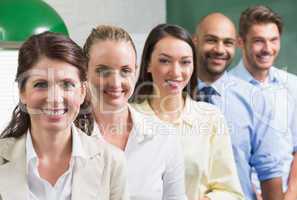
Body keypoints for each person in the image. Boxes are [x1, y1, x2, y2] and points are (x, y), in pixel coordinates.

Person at [0, 32, 128, 200]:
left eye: (67, 84)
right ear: (22, 92)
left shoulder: (112, 161)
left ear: (82, 92)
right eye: (41, 84)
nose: (54, 98)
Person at [130, 23, 245, 200]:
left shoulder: (210, 118)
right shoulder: (129, 116)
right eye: (165, 60)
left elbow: (230, 192)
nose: (176, 72)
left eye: (185, 62)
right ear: (147, 65)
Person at [83, 25, 186, 200]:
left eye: (125, 71)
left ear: (136, 70)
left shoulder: (164, 138)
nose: (116, 83)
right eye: (103, 71)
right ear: (84, 70)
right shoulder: (67, 138)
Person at [193, 13, 285, 200]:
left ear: (236, 45)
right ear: (195, 41)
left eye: (227, 43)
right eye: (211, 40)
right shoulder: (174, 96)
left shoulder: (255, 99)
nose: (219, 49)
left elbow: (269, 171)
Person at [230, 5, 297, 199]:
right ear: (240, 42)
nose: (268, 49)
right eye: (259, 41)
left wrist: (291, 195)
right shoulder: (224, 91)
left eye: (273, 40)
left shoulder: (293, 86)